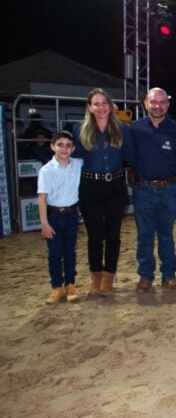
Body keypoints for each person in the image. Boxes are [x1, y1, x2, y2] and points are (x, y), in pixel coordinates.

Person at [129, 88, 176, 293]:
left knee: (166, 235)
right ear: (145, 104)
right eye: (153, 102)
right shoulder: (134, 129)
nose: (158, 106)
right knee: (144, 235)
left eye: (162, 102)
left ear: (168, 104)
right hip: (142, 190)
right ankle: (145, 276)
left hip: (169, 189)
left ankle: (169, 276)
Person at [72, 88, 134, 297]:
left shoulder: (123, 130)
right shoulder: (78, 130)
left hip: (116, 186)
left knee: (113, 234)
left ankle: (109, 277)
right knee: (95, 235)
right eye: (96, 103)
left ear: (111, 105)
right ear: (89, 107)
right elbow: (72, 160)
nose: (101, 107)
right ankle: (96, 276)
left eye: (104, 102)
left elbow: (131, 156)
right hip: (90, 187)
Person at [37, 130, 83, 304]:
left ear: (73, 148)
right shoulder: (46, 171)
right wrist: (44, 223)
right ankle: (56, 287)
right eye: (60, 145)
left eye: (68, 145)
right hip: (54, 215)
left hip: (71, 215)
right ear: (52, 147)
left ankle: (70, 285)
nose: (64, 149)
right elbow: (42, 198)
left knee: (70, 252)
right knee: (55, 254)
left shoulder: (78, 164)